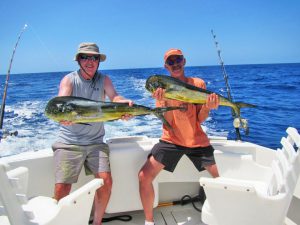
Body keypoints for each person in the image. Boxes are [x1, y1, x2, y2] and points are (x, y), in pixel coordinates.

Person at [52, 42, 133, 225]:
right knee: (62, 187)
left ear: (99, 61)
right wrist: (62, 116)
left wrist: (124, 104)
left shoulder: (104, 80)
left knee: (106, 182)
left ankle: (96, 223)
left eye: (94, 57)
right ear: (79, 60)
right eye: (85, 57)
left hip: (96, 142)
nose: (90, 61)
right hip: (69, 141)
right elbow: (61, 100)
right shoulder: (69, 80)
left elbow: (115, 97)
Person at [138, 48, 220, 225]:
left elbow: (200, 118)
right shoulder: (161, 90)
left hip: (197, 141)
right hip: (172, 140)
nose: (175, 64)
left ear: (184, 62)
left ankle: (223, 214)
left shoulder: (198, 83)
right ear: (166, 66)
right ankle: (149, 221)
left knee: (221, 179)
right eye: (170, 62)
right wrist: (164, 101)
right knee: (144, 176)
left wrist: (207, 107)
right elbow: (167, 122)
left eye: (178, 60)